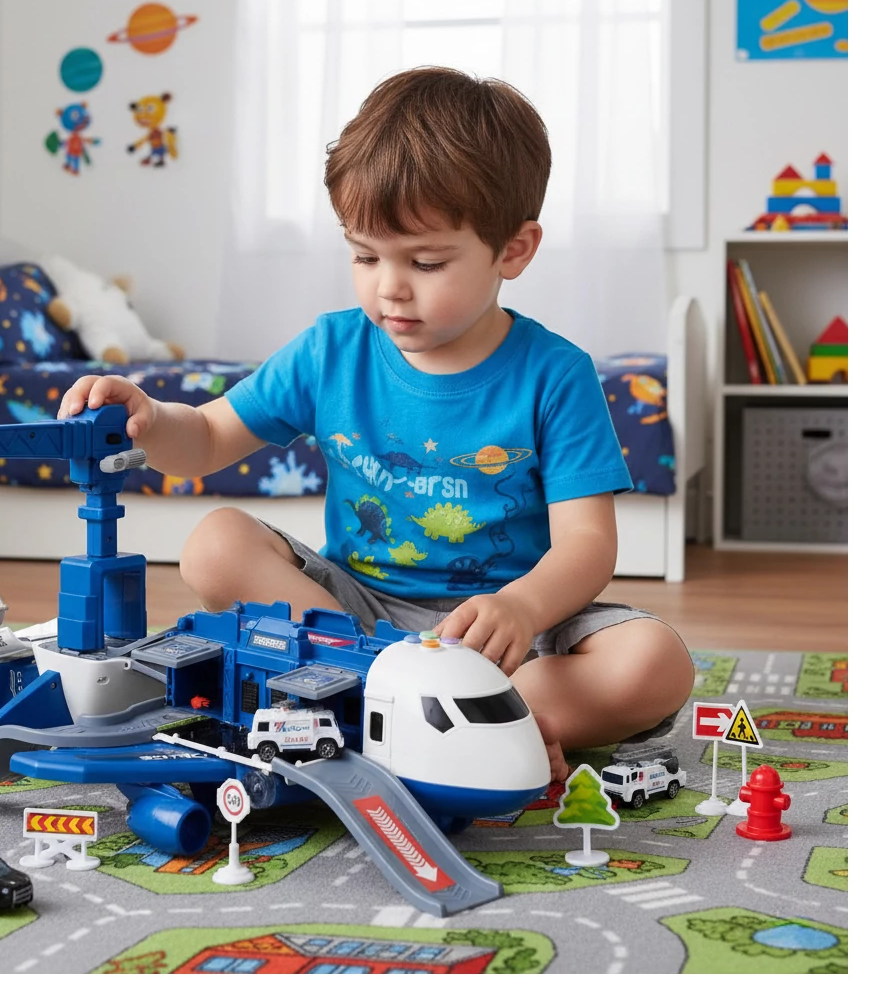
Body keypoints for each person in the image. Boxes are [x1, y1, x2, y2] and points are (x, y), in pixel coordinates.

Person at [57, 67, 694, 780]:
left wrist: (520, 606)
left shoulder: (556, 373)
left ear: (512, 250)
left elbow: (587, 544)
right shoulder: (330, 350)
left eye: (426, 261)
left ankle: (420, 714)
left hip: (511, 632)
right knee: (213, 544)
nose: (389, 286)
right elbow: (204, 440)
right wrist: (150, 418)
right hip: (354, 621)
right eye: (364, 255)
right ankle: (430, 717)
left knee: (655, 663)